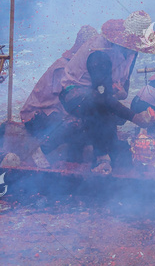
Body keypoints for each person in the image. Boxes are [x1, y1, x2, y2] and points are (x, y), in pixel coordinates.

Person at [56, 11, 155, 173]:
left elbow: (124, 84)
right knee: (99, 109)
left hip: (101, 94)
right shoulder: (100, 54)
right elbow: (102, 98)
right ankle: (101, 159)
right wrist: (135, 117)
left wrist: (122, 93)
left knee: (112, 116)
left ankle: (106, 152)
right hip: (74, 94)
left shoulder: (132, 52)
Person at [20, 25, 98, 163]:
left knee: (86, 123)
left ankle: (74, 167)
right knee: (76, 124)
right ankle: (40, 153)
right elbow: (65, 102)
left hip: (54, 112)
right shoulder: (63, 67)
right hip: (36, 116)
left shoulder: (75, 64)